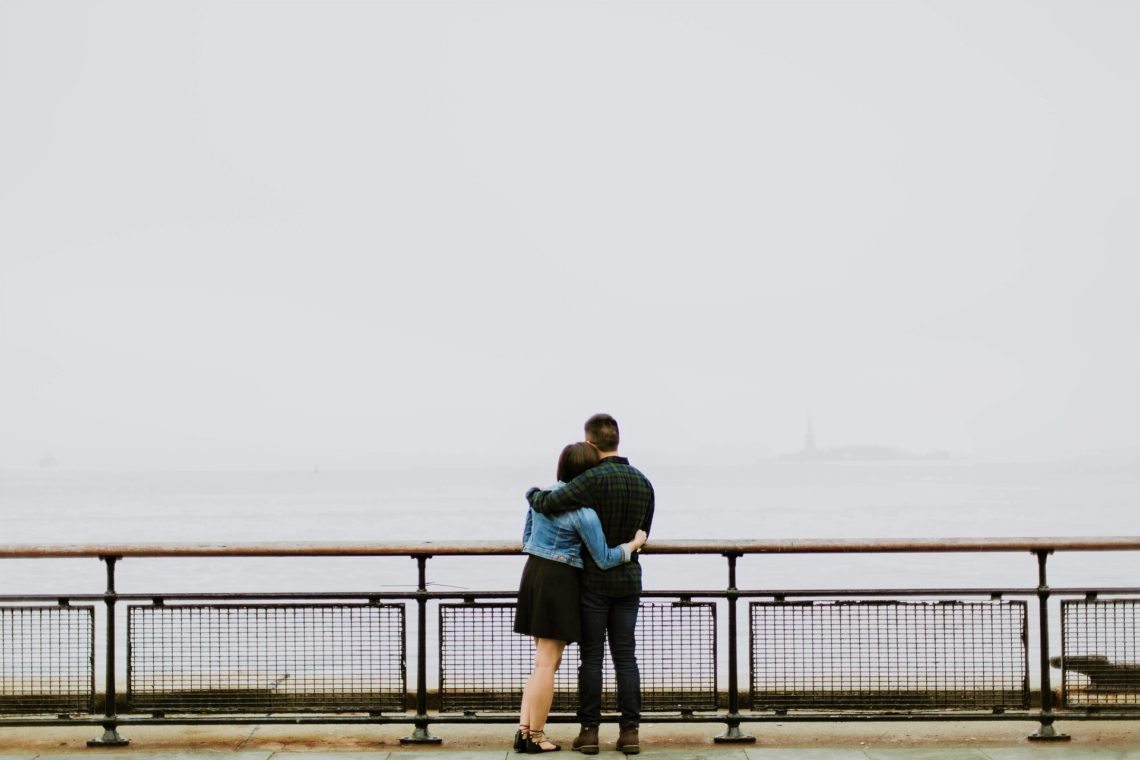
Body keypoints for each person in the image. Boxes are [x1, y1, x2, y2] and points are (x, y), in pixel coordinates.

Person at [526, 414, 654, 756]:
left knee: (592, 658)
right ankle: (630, 734)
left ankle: (589, 733)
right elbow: (644, 533)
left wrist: (533, 495)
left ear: (591, 443)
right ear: (617, 440)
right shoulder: (644, 482)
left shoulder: (590, 479)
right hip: (629, 580)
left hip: (593, 583)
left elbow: (549, 503)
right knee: (626, 658)